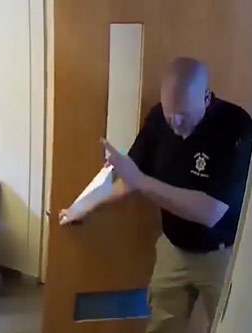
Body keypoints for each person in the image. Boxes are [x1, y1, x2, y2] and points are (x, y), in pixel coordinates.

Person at [60, 57, 252, 332]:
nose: (174, 121)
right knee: (163, 323)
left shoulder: (236, 127)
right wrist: (88, 204)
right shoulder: (158, 120)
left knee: (228, 326)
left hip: (222, 256)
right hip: (173, 249)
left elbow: (209, 213)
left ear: (206, 98)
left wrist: (140, 181)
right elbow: (130, 179)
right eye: (168, 111)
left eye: (183, 114)